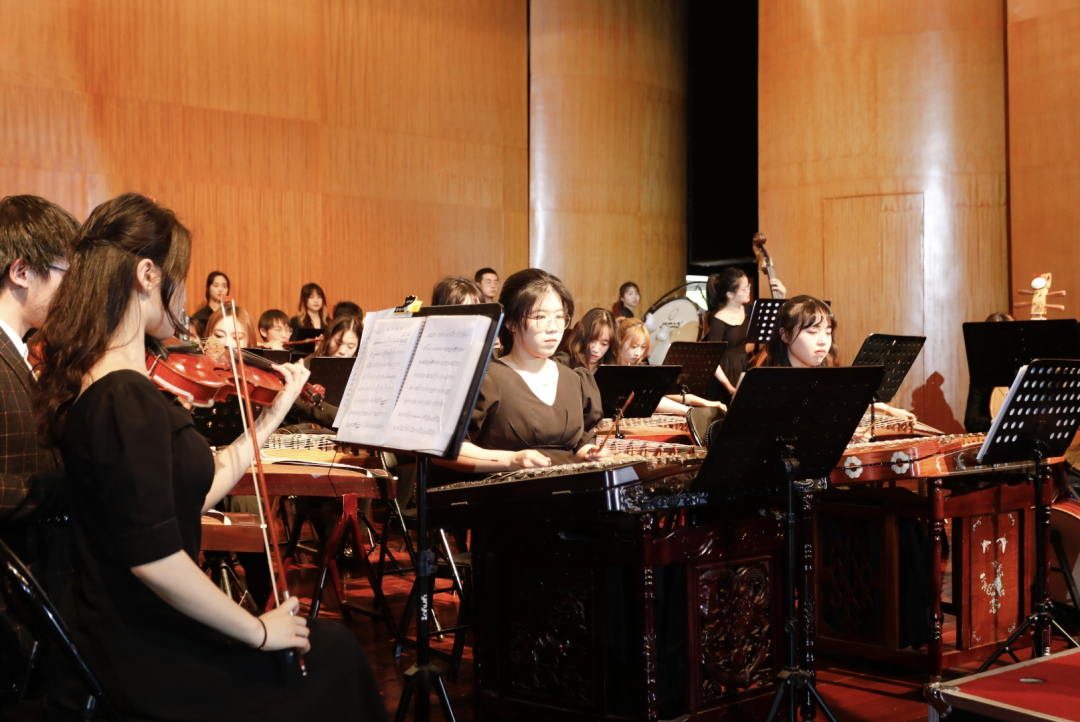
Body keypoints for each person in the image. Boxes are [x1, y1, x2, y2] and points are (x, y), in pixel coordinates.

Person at [31, 193, 386, 722]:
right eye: (179, 275)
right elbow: (155, 561)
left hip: (121, 634)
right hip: (143, 653)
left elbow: (195, 490)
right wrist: (259, 629)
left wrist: (267, 420)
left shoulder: (105, 385)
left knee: (330, 649)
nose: (184, 296)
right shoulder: (124, 395)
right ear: (147, 274)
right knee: (335, 654)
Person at [0, 195, 77, 687]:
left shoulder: (24, 351)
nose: (74, 292)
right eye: (66, 274)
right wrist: (63, 488)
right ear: (22, 271)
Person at [437, 269, 606, 479]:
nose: (553, 327)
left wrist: (586, 454)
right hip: (505, 497)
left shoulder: (574, 379)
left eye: (559, 317)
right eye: (540, 317)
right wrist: (511, 460)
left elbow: (580, 443)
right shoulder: (487, 379)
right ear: (510, 323)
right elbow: (445, 451)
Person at [750, 295, 913, 423]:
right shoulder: (767, 384)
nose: (823, 341)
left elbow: (838, 406)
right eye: (813, 332)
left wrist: (884, 409)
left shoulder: (818, 376)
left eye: (828, 333)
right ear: (785, 335)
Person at [703, 267, 786, 404]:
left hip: (743, 367)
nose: (748, 292)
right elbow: (713, 360)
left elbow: (777, 321)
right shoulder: (718, 320)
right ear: (729, 294)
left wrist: (781, 296)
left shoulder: (750, 311)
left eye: (748, 287)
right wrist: (729, 387)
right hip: (724, 375)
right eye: (743, 289)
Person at [614, 317, 724, 412]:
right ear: (619, 342)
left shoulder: (636, 368)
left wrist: (705, 403)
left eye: (642, 347)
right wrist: (688, 410)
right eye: (634, 346)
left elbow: (663, 393)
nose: (638, 353)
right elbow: (652, 399)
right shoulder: (613, 370)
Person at [964, 312, 1015, 433]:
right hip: (993, 442)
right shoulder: (983, 374)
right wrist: (997, 422)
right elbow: (971, 421)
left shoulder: (1026, 371)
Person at [554, 308, 619, 373]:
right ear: (582, 336)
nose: (596, 349)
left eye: (604, 344)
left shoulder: (609, 369)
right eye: (592, 340)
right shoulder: (562, 362)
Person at [189, 271, 230, 338]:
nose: (220, 289)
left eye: (224, 286)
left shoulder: (231, 314)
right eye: (216, 286)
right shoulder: (199, 317)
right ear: (208, 288)